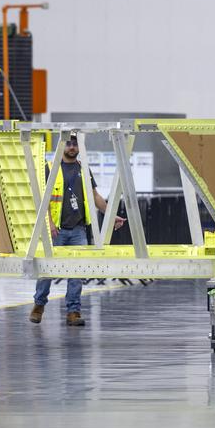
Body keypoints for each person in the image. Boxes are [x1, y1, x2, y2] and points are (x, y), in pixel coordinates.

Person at [30, 135, 124, 326]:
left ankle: (73, 311)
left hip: (78, 229)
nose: (72, 147)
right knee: (47, 270)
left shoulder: (83, 168)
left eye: (75, 144)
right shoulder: (51, 168)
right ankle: (39, 305)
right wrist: (48, 222)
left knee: (77, 272)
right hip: (56, 229)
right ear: (61, 145)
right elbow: (43, 199)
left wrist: (110, 214)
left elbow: (95, 196)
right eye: (69, 143)